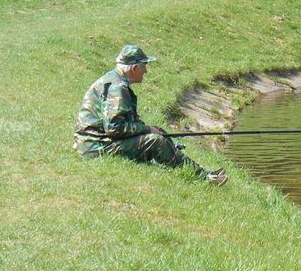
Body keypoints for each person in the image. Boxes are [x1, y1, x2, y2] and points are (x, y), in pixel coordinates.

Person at [74, 45, 227, 185]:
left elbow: (123, 121)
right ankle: (203, 178)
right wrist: (146, 130)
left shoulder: (114, 80)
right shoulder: (117, 88)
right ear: (134, 68)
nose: (146, 71)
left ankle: (199, 172)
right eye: (144, 66)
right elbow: (114, 128)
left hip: (96, 142)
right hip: (97, 148)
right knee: (156, 141)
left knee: (158, 131)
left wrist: (149, 128)